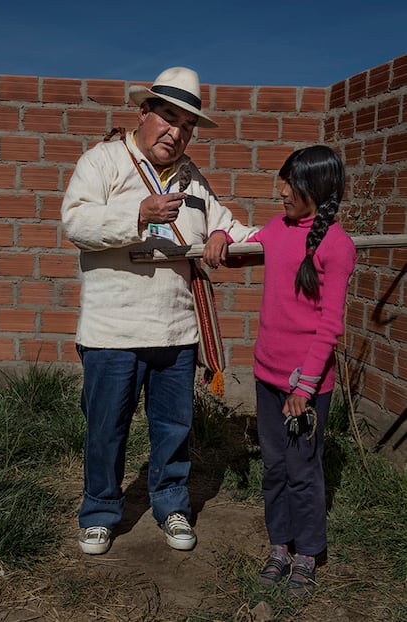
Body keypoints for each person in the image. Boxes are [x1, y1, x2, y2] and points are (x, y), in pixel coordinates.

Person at [61, 66, 258, 555]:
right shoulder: (103, 161)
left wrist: (221, 234)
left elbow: (231, 228)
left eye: (187, 125)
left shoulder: (193, 178)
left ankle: (172, 504)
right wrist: (138, 215)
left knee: (175, 428)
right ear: (144, 113)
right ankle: (101, 510)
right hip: (112, 330)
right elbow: (76, 222)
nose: (177, 133)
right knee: (106, 428)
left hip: (176, 329)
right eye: (168, 118)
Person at [247, 145, 356, 597]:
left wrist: (306, 387)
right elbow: (241, 247)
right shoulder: (277, 228)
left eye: (291, 183)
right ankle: (280, 544)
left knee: (302, 469)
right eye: (283, 181)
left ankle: (308, 553)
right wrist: (217, 235)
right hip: (265, 375)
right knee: (274, 466)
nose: (282, 191)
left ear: (319, 187)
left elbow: (331, 325)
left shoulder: (337, 245)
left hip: (303, 385)